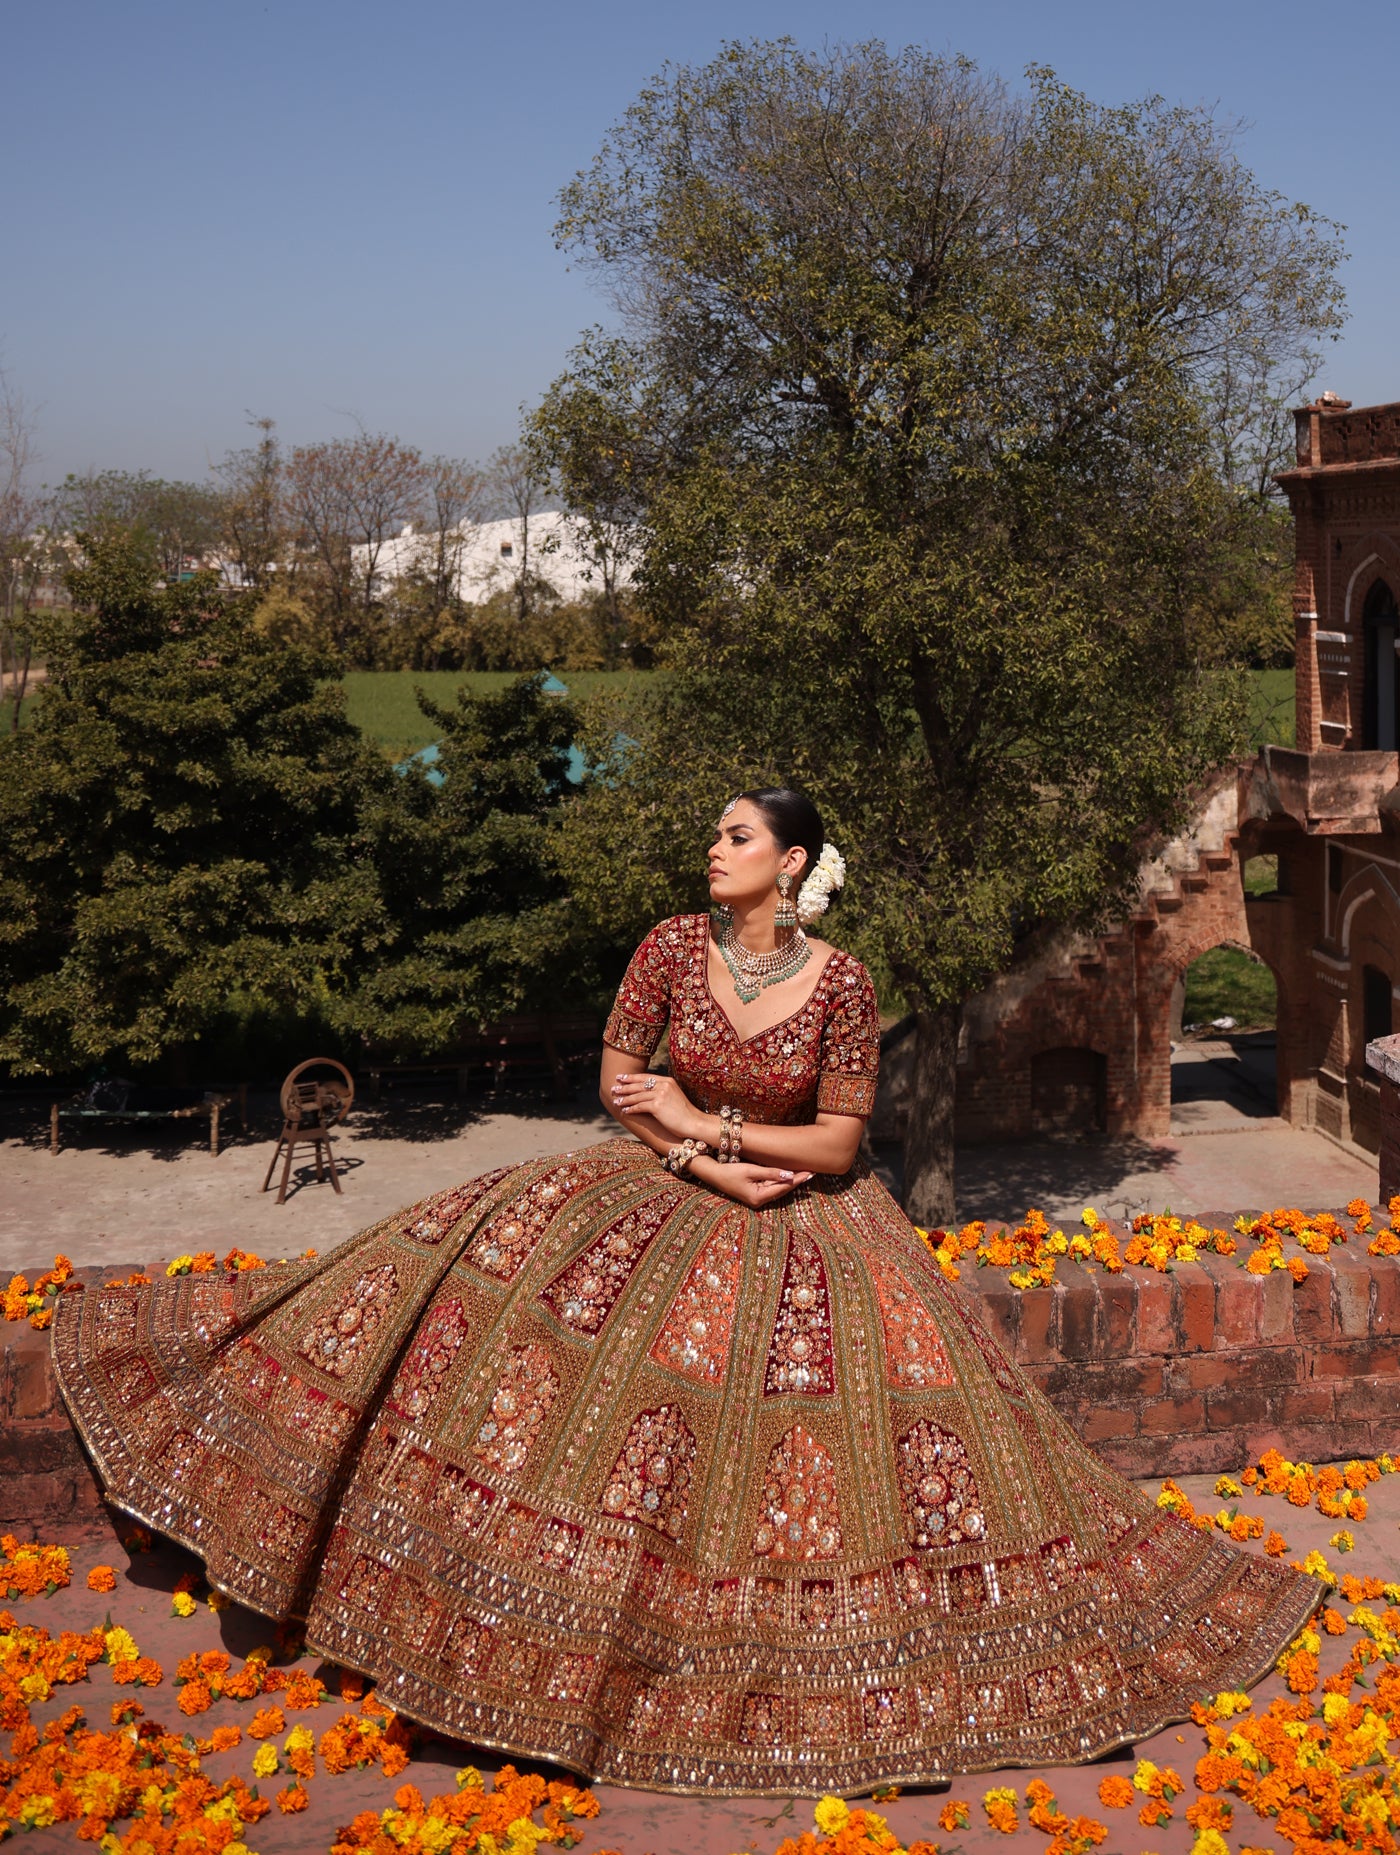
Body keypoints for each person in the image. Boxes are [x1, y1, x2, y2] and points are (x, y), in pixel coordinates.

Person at [53, 788, 1318, 1797]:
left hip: (812, 1215)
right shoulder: (667, 947)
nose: (712, 849)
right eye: (716, 834)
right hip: (666, 1182)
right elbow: (622, 1085)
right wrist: (700, 1157)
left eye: (736, 835)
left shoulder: (842, 981)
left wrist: (715, 1129)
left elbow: (836, 1145)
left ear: (791, 861)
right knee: (486, 1293)